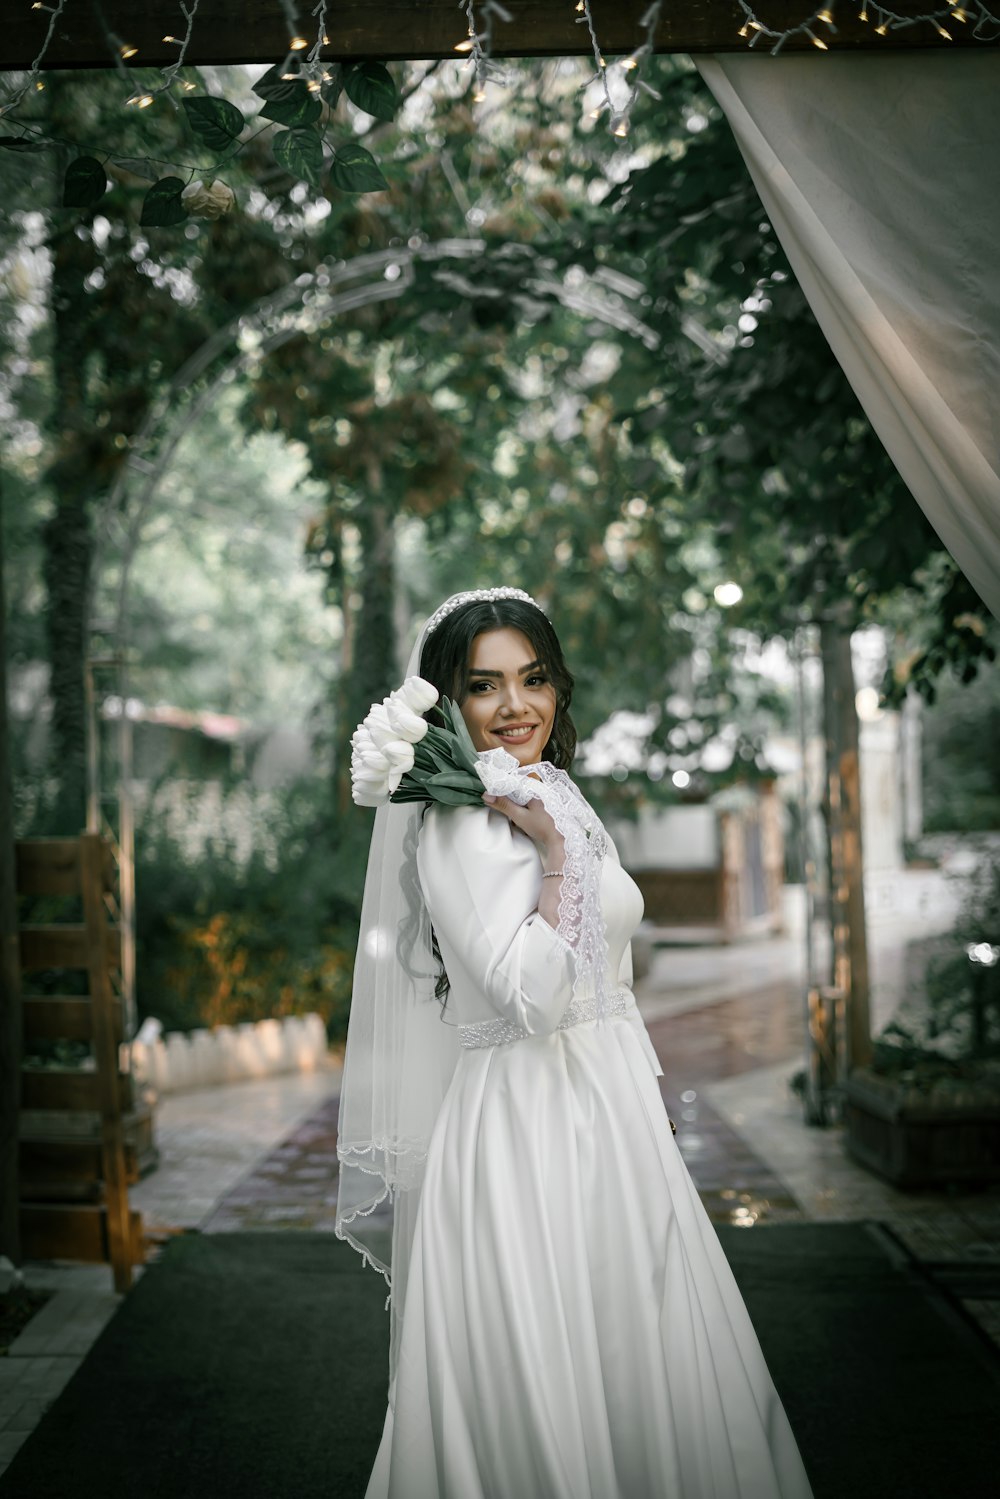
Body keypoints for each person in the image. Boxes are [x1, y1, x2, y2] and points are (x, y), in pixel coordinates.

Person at [336, 588, 814, 1499]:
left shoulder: (545, 786)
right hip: (526, 1125)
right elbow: (533, 999)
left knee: (644, 1341)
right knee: (546, 1354)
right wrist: (554, 851)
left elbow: (609, 972)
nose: (516, 705)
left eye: (534, 678)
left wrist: (639, 1096)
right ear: (450, 701)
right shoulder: (463, 825)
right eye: (485, 686)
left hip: (608, 1110)